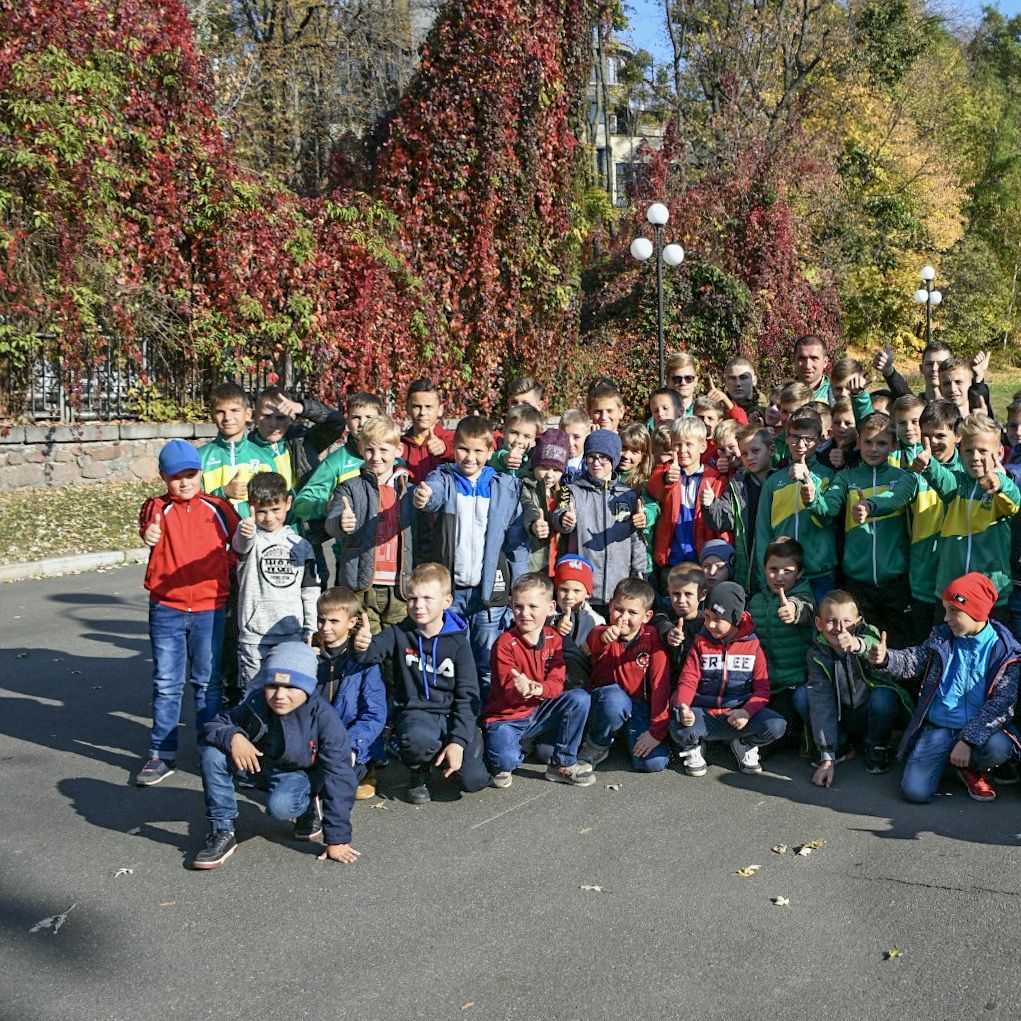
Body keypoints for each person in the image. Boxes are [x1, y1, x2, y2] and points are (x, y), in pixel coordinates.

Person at [193, 642, 360, 869]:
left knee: (280, 806)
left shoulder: (324, 719)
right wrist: (234, 736)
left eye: (291, 687)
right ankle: (222, 830)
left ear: (308, 687)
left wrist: (337, 839)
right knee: (213, 755)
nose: (280, 695)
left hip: (298, 772)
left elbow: (340, 777)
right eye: (273, 685)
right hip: (261, 765)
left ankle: (307, 803)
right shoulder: (257, 701)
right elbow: (216, 724)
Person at [135, 440, 240, 786]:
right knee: (167, 683)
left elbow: (239, 543)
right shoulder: (156, 508)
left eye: (190, 474)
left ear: (201, 473)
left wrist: (225, 564)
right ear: (163, 477)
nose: (184, 482)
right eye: (175, 476)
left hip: (210, 608)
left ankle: (209, 748)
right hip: (167, 607)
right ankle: (160, 754)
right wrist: (147, 534)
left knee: (208, 684)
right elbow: (148, 524)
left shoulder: (218, 507)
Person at [870, 573, 1021, 803]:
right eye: (945, 609)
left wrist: (968, 740)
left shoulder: (1005, 651)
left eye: (954, 611)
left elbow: (1001, 705)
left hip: (978, 732)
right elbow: (914, 660)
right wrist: (886, 659)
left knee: (999, 746)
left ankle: (970, 767)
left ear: (977, 612)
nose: (946, 618)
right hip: (939, 726)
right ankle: (943, 759)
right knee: (915, 793)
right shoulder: (941, 637)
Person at [352, 563, 490, 804]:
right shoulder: (399, 633)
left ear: (447, 601)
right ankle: (418, 773)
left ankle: (456, 748)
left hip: (450, 716)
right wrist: (362, 643)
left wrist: (458, 741)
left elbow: (468, 696)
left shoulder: (458, 643)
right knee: (417, 737)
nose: (419, 605)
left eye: (428, 598)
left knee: (474, 781)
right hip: (416, 715)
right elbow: (370, 654)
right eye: (413, 598)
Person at [413, 416, 526, 701]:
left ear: (490, 452)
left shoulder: (504, 487)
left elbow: (517, 545)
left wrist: (518, 588)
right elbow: (432, 493)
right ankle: (449, 716)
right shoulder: (445, 478)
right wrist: (424, 496)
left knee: (486, 663)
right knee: (448, 661)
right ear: (454, 448)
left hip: (489, 594)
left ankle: (483, 718)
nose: (470, 457)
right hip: (451, 594)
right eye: (463, 449)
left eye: (478, 451)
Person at [801, 413, 913, 648]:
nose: (874, 449)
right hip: (857, 581)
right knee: (858, 645)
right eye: (868, 442)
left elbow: (897, 499)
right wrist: (812, 499)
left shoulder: (903, 477)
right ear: (859, 442)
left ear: (893, 446)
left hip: (896, 580)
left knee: (897, 645)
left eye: (882, 443)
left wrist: (870, 507)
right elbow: (828, 509)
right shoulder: (846, 477)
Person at [482, 573, 595, 788]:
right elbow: (507, 689)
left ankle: (562, 764)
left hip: (538, 710)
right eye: (518, 606)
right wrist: (521, 689)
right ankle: (510, 747)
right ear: (510, 605)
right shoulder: (504, 644)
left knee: (579, 698)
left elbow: (556, 683)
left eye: (533, 607)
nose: (525, 613)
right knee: (506, 762)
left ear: (551, 607)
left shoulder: (554, 638)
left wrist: (536, 688)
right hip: (507, 717)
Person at [670, 581, 787, 775]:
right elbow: (688, 680)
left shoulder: (753, 646)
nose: (710, 624)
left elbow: (762, 690)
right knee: (678, 724)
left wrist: (747, 712)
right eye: (706, 617)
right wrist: (684, 706)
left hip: (738, 716)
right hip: (705, 715)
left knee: (776, 725)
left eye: (717, 619)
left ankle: (743, 743)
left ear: (735, 618)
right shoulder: (701, 643)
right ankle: (694, 745)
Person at [805, 590, 913, 786]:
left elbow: (871, 644)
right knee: (805, 697)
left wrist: (858, 645)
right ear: (819, 624)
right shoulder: (817, 654)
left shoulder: (867, 634)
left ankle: (877, 746)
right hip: (841, 715)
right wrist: (827, 756)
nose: (840, 628)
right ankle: (840, 745)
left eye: (846, 621)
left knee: (884, 697)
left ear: (858, 621)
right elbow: (821, 703)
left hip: (868, 712)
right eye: (831, 621)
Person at [325, 415, 415, 635]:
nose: (376, 457)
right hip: (362, 586)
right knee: (365, 645)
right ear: (361, 449)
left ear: (398, 451)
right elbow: (332, 523)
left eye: (383, 450)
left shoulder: (409, 491)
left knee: (398, 647)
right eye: (370, 450)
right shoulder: (350, 488)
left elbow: (421, 537)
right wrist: (341, 523)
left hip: (399, 588)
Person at [232, 472, 319, 690]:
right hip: (254, 635)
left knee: (287, 693)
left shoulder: (301, 545)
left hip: (292, 634)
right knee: (253, 693)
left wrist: (310, 628)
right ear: (251, 508)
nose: (269, 517)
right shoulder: (251, 539)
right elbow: (241, 544)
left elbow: (310, 590)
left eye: (275, 510)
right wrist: (246, 530)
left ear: (288, 503)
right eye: (261, 511)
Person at [579, 578, 671, 773]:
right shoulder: (601, 631)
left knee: (654, 763)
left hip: (638, 707)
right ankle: (598, 744)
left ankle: (621, 738)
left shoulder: (653, 639)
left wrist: (656, 732)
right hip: (604, 703)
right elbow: (596, 642)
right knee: (615, 699)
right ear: (610, 606)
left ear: (647, 616)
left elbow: (659, 686)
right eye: (619, 609)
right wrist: (605, 639)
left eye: (632, 613)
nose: (623, 618)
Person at [551, 429, 646, 616]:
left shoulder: (628, 495)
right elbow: (559, 514)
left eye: (603, 457)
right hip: (582, 591)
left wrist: (640, 570)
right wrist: (564, 520)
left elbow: (635, 537)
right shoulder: (570, 490)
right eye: (591, 457)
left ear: (613, 460)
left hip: (618, 591)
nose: (596, 463)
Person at [754, 409, 836, 603]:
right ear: (786, 437)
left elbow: (828, 518)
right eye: (795, 438)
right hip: (782, 574)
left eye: (808, 439)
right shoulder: (774, 481)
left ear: (820, 440)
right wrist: (763, 573)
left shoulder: (829, 477)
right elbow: (763, 530)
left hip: (819, 572)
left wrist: (809, 480)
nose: (800, 445)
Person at [313, 586, 387, 800]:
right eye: (321, 620)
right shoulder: (309, 653)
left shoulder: (364, 661)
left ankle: (365, 769)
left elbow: (374, 713)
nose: (325, 627)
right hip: (316, 741)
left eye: (334, 621)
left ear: (351, 623)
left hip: (351, 741)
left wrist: (353, 747)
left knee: (333, 787)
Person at [647, 416, 727, 590]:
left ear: (703, 447)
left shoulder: (715, 478)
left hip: (702, 558)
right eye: (677, 445)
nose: (682, 450)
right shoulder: (666, 470)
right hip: (672, 557)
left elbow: (722, 520)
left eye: (689, 444)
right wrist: (667, 479)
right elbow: (653, 488)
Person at [747, 537, 816, 731]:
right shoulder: (756, 602)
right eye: (773, 569)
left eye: (787, 571)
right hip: (764, 686)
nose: (779, 577)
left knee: (780, 727)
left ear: (799, 572)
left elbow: (806, 608)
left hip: (794, 684)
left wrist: (794, 610)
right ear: (764, 569)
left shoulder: (804, 596)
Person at [702, 424, 774, 592]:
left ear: (771, 450)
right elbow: (725, 521)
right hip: (747, 557)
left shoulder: (781, 480)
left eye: (755, 451)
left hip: (775, 555)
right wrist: (711, 505)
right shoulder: (738, 484)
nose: (749, 457)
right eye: (744, 453)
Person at [198, 382, 276, 519]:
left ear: (248, 414)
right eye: (220, 412)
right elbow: (191, 504)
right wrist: (222, 493)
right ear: (212, 416)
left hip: (256, 537)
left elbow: (276, 502)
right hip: (214, 536)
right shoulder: (199, 457)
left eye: (234, 411)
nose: (227, 418)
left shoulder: (265, 457)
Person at [520, 429, 570, 574]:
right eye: (544, 467)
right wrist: (534, 524)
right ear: (534, 465)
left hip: (557, 568)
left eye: (556, 470)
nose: (550, 475)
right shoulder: (525, 487)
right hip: (531, 569)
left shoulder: (564, 492)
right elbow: (528, 508)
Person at [551, 554, 605, 688]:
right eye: (564, 589)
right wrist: (554, 626)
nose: (569, 596)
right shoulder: (546, 613)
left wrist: (594, 648)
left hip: (581, 676)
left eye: (576, 591)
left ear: (587, 592)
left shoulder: (596, 620)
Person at [652, 561, 706, 679]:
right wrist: (669, 633)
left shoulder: (707, 623)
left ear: (702, 595)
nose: (681, 600)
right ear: (668, 592)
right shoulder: (663, 614)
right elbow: (660, 621)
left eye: (688, 594)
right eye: (676, 594)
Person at [400, 379, 453, 485]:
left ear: (440, 409)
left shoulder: (452, 439)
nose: (423, 412)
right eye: (417, 407)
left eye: (429, 407)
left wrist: (445, 449)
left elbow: (467, 456)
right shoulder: (399, 446)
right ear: (407, 408)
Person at [488, 403, 545, 477]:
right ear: (504, 433)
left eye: (527, 436)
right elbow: (493, 459)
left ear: (534, 441)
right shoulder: (498, 455)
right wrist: (505, 459)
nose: (518, 440)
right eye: (514, 433)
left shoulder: (532, 461)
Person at [792, 334, 831, 404]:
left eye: (814, 358)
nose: (808, 366)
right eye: (802, 358)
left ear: (825, 362)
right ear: (794, 360)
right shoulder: (783, 393)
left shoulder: (836, 394)